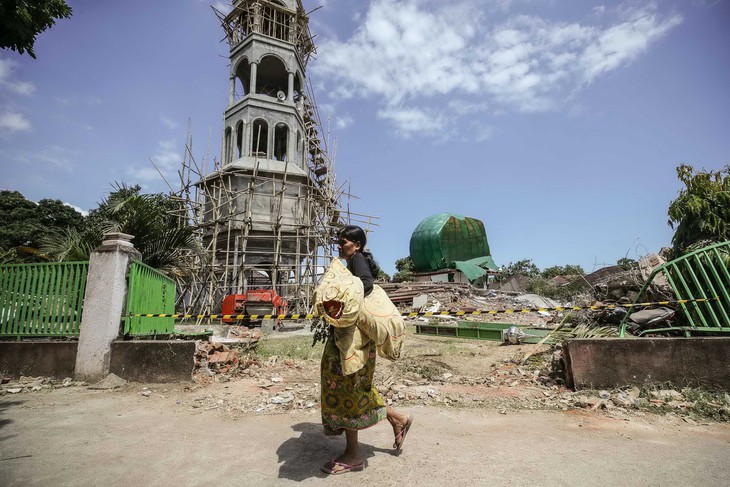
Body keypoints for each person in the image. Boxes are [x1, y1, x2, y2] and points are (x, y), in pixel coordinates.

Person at [318, 225, 413, 475]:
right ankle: (397, 419)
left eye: (344, 242)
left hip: (353, 343)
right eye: (338, 242)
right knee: (359, 389)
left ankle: (353, 456)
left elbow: (366, 286)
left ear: (357, 245)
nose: (339, 246)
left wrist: (344, 298)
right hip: (351, 341)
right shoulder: (350, 264)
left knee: (349, 390)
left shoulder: (357, 260)